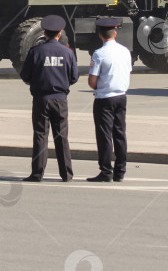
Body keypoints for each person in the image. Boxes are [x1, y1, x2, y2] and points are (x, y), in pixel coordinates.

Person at [19, 14, 80, 182]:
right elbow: (74, 77)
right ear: (59, 34)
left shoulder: (36, 52)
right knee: (62, 137)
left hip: (41, 99)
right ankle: (66, 174)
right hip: (60, 99)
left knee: (40, 135)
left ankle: (37, 173)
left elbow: (25, 75)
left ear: (44, 33)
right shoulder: (68, 53)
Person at [86, 18, 131, 183]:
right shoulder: (125, 51)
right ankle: (120, 171)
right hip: (121, 96)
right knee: (120, 134)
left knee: (104, 135)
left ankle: (106, 171)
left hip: (104, 99)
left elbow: (92, 81)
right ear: (115, 33)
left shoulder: (99, 54)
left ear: (100, 35)